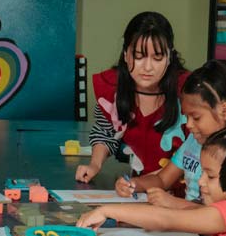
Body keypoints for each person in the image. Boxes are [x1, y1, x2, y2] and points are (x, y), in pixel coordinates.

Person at [77, 125, 226, 236]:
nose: (201, 181)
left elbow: (165, 219)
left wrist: (106, 210)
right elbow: (186, 212)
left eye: (210, 176)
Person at [118, 60, 226, 209]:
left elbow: (225, 215)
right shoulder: (193, 142)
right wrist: (134, 184)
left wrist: (175, 203)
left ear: (224, 111)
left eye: (196, 117)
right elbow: (162, 179)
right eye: (186, 117)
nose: (188, 125)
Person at [75, 11, 189, 184]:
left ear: (169, 57)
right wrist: (94, 165)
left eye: (157, 57)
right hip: (137, 189)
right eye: (139, 56)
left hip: (185, 193)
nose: (148, 67)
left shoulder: (188, 91)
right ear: (126, 54)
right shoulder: (112, 89)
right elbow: (105, 133)